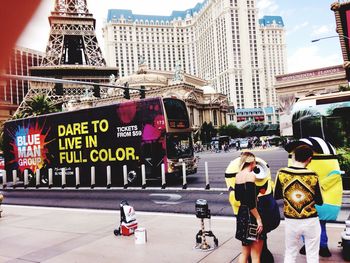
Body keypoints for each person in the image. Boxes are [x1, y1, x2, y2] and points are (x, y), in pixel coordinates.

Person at [274, 145, 323, 263]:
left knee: (290, 253)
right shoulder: (313, 175)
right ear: (309, 159)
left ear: (294, 156)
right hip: (311, 220)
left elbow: (277, 195)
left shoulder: (282, 173)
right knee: (312, 255)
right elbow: (320, 201)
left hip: (291, 220)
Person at [235, 152, 264, 263]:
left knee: (244, 253)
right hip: (251, 216)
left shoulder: (238, 175)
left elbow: (238, 197)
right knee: (255, 255)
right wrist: (259, 219)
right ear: (252, 163)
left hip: (242, 214)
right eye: (255, 162)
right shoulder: (250, 175)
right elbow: (251, 203)